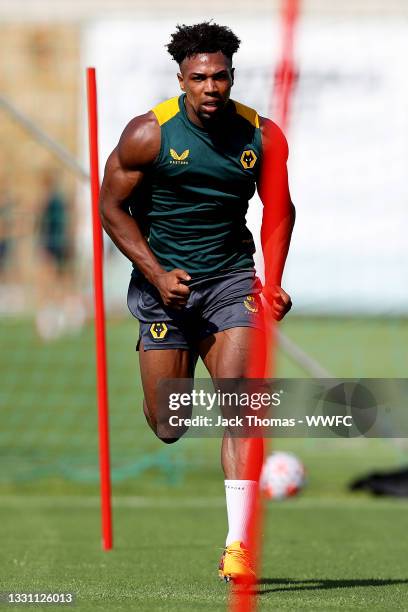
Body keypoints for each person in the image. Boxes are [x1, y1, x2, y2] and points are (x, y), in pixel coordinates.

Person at [100, 21, 295, 583]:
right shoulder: (148, 134)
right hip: (165, 290)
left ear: (233, 76)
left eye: (220, 77)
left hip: (232, 280)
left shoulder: (263, 137)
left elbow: (281, 209)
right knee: (168, 422)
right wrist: (157, 274)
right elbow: (112, 209)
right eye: (199, 78)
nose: (211, 87)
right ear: (182, 79)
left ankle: (238, 544)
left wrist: (272, 281)